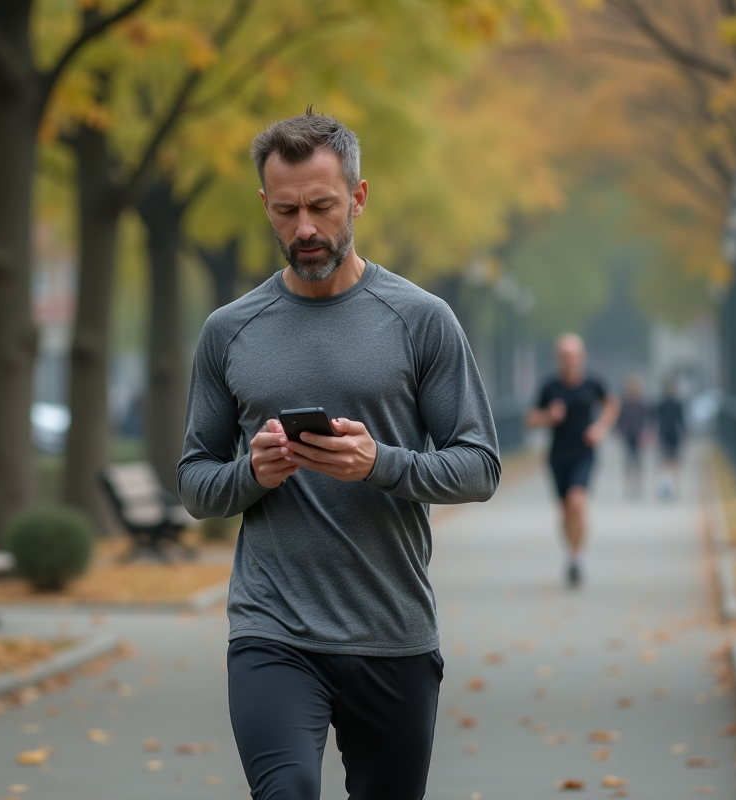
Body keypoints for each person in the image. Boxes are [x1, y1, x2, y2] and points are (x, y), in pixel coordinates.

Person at [177, 110, 500, 800]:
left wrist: (380, 463)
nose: (305, 230)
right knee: (286, 790)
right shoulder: (228, 331)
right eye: (287, 210)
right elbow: (196, 481)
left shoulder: (421, 319)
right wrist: (251, 474)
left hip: (391, 629)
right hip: (273, 629)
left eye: (321, 206)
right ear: (265, 205)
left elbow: (479, 466)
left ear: (356, 197)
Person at [525, 334, 619, 587]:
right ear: (558, 358)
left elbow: (612, 403)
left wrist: (600, 428)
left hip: (584, 452)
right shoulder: (550, 387)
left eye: (574, 355)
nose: (570, 360)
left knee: (577, 502)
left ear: (582, 357)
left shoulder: (593, 383)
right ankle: (572, 554)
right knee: (565, 509)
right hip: (558, 454)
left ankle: (579, 557)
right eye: (565, 356)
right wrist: (548, 416)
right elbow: (531, 419)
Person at [616, 374, 648, 499]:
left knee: (638, 461)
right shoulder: (624, 401)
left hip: (638, 434)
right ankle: (628, 486)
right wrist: (619, 430)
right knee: (628, 461)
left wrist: (645, 432)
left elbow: (645, 419)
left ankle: (638, 485)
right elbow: (620, 418)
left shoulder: (641, 402)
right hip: (627, 433)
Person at [655, 376, 687, 500]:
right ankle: (663, 486)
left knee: (674, 462)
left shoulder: (678, 404)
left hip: (674, 434)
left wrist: (684, 433)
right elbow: (657, 420)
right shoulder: (661, 404)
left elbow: (682, 421)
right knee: (664, 461)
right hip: (664, 434)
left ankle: (675, 486)